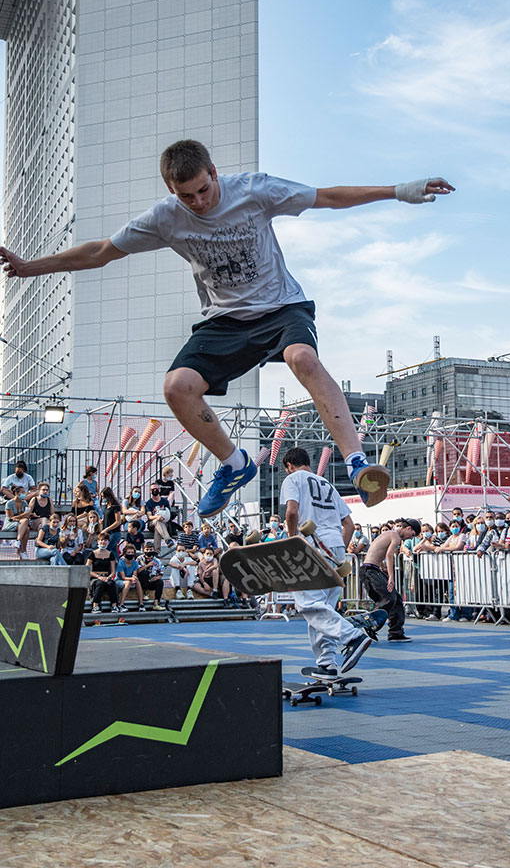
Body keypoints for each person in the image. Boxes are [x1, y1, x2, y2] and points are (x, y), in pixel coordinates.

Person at [0, 141, 454, 518]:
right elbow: (100, 251)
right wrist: (28, 267)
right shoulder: (165, 217)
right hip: (224, 321)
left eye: (202, 190)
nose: (197, 202)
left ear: (214, 173)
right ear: (170, 191)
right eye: (186, 196)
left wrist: (400, 190)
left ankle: (356, 461)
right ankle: (235, 464)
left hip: (281, 308)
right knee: (177, 387)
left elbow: (328, 196)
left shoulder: (255, 191)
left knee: (302, 358)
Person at [280, 446, 385, 678]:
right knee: (323, 608)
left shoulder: (293, 479)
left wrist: (291, 540)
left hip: (310, 544)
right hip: (335, 545)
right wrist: (339, 550)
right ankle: (327, 664)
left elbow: (291, 511)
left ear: (289, 465)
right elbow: (348, 523)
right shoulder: (327, 484)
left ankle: (353, 636)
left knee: (309, 605)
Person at [360, 519, 417, 642]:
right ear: (408, 528)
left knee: (396, 600)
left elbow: (376, 551)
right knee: (389, 598)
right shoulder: (395, 536)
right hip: (370, 571)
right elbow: (389, 555)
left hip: (372, 570)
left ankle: (396, 633)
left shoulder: (387, 534)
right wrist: (391, 576)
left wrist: (381, 566)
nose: (410, 539)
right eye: (411, 535)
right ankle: (369, 624)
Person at [87, 533, 119, 613]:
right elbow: (87, 569)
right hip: (95, 577)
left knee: (111, 583)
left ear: (108, 542)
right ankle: (95, 606)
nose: (103, 542)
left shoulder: (110, 554)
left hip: (106, 576)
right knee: (100, 584)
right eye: (101, 540)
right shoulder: (92, 554)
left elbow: (113, 571)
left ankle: (114, 605)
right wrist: (98, 576)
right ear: (98, 541)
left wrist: (108, 577)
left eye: (105, 540)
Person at [3, 486, 32, 558]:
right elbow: (11, 518)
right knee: (25, 524)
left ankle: (22, 549)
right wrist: (23, 515)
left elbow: (27, 516)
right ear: (16, 493)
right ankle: (22, 549)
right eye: (22, 492)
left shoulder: (24, 503)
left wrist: (28, 515)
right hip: (10, 524)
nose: (24, 494)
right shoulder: (9, 503)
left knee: (27, 528)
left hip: (21, 523)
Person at [137, 541, 166, 609]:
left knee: (160, 582)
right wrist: (147, 566)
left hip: (152, 580)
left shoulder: (157, 561)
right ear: (144, 550)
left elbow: (161, 573)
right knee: (144, 573)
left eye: (151, 549)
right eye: (147, 549)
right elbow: (137, 571)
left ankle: (156, 603)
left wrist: (156, 578)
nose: (149, 551)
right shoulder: (139, 559)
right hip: (142, 581)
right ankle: (145, 592)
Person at [116, 543, 145, 612]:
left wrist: (134, 578)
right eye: (128, 552)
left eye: (132, 552)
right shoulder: (121, 563)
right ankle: (121, 604)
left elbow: (134, 574)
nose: (130, 554)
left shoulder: (135, 563)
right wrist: (131, 579)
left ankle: (141, 603)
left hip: (129, 580)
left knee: (137, 581)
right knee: (128, 582)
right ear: (125, 553)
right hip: (119, 581)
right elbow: (123, 577)